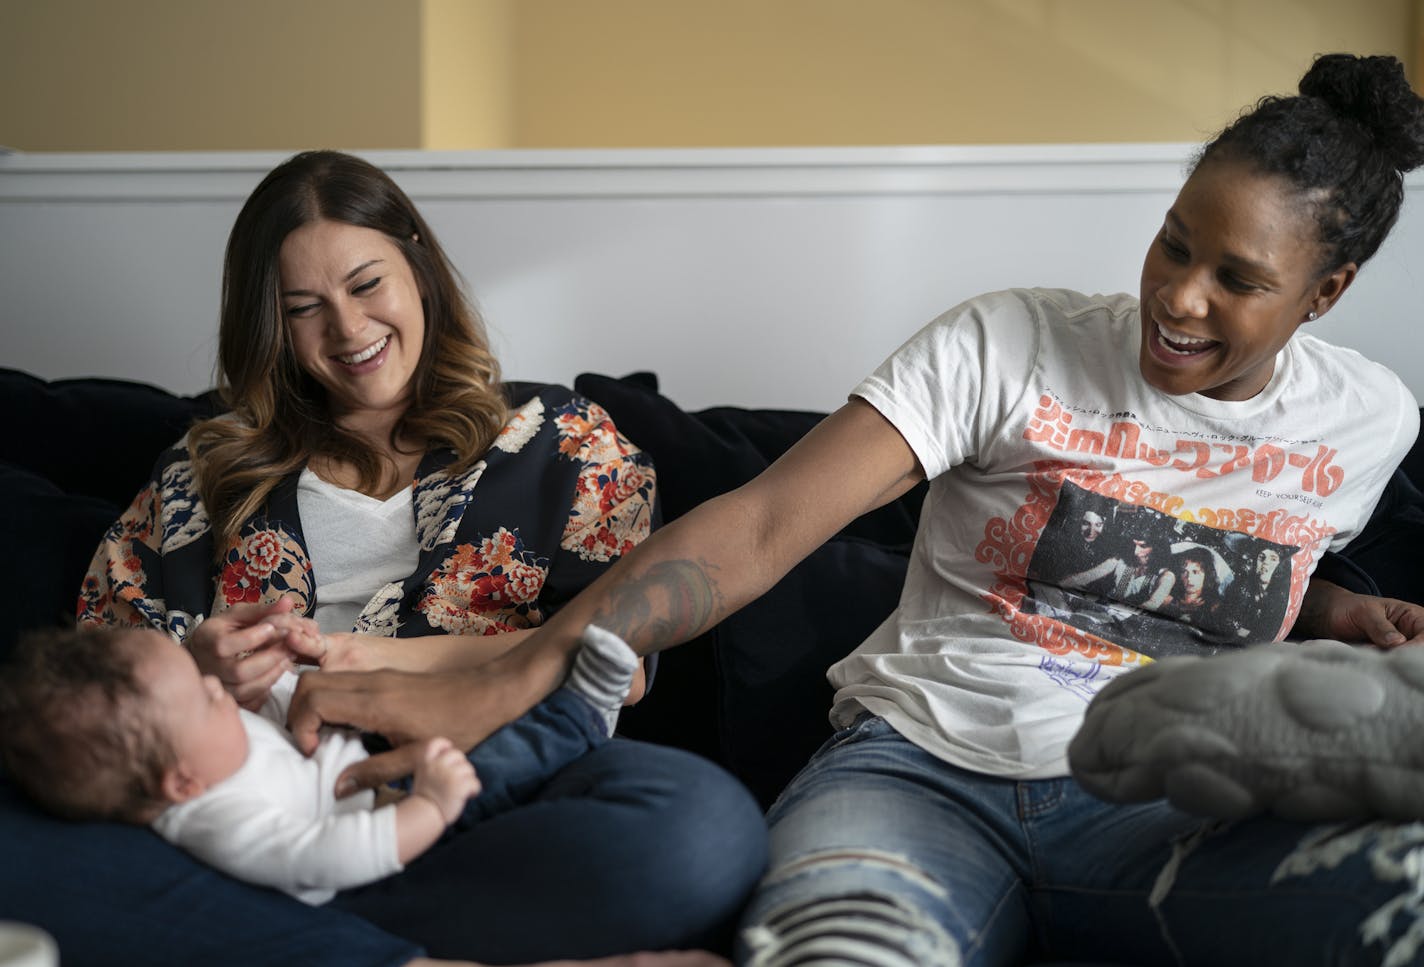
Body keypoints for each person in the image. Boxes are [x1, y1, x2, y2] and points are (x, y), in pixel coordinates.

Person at [287, 54, 1424, 966]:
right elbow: (762, 524)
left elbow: (1229, 547)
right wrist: (519, 670)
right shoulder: (1009, 342)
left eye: (1236, 278)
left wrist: (1321, 607)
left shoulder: (1367, 424)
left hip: (1163, 807)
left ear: (1324, 292)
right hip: (919, 776)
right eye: (1173, 242)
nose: (1176, 295)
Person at [1, 150, 766, 966]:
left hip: (480, 798)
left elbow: (622, 656)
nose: (349, 329)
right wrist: (198, 671)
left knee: (701, 828)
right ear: (273, 326)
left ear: (418, 264)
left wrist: (374, 662)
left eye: (366, 284)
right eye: (305, 307)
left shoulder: (564, 441)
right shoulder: (203, 471)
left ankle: (277, 940)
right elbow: (84, 690)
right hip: (242, 822)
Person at [0, 621, 637, 906]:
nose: (218, 688)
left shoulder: (204, 742)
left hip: (374, 780)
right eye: (203, 694)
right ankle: (583, 711)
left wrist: (291, 674)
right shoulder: (221, 821)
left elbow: (272, 716)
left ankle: (570, 713)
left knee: (485, 748)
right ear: (181, 784)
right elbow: (326, 856)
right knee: (497, 771)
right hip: (390, 853)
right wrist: (432, 806)